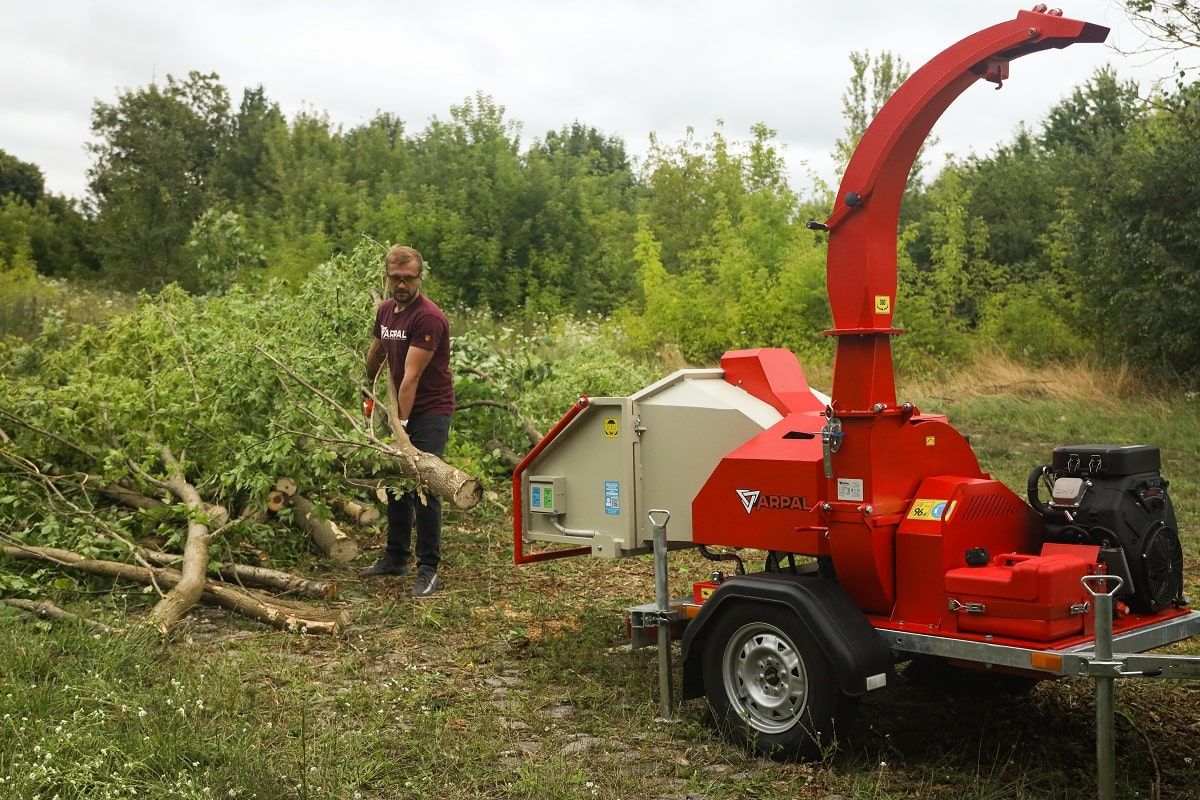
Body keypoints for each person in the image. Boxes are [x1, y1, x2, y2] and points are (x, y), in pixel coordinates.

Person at [359, 245, 455, 597]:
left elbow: (411, 377)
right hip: (397, 407)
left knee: (424, 485)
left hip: (429, 411)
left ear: (420, 278)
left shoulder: (427, 318)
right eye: (395, 278)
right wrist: (367, 386)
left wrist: (402, 425)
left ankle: (428, 568)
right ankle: (396, 556)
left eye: (408, 279)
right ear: (387, 276)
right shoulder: (386, 310)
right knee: (395, 482)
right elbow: (378, 349)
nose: (401, 285)